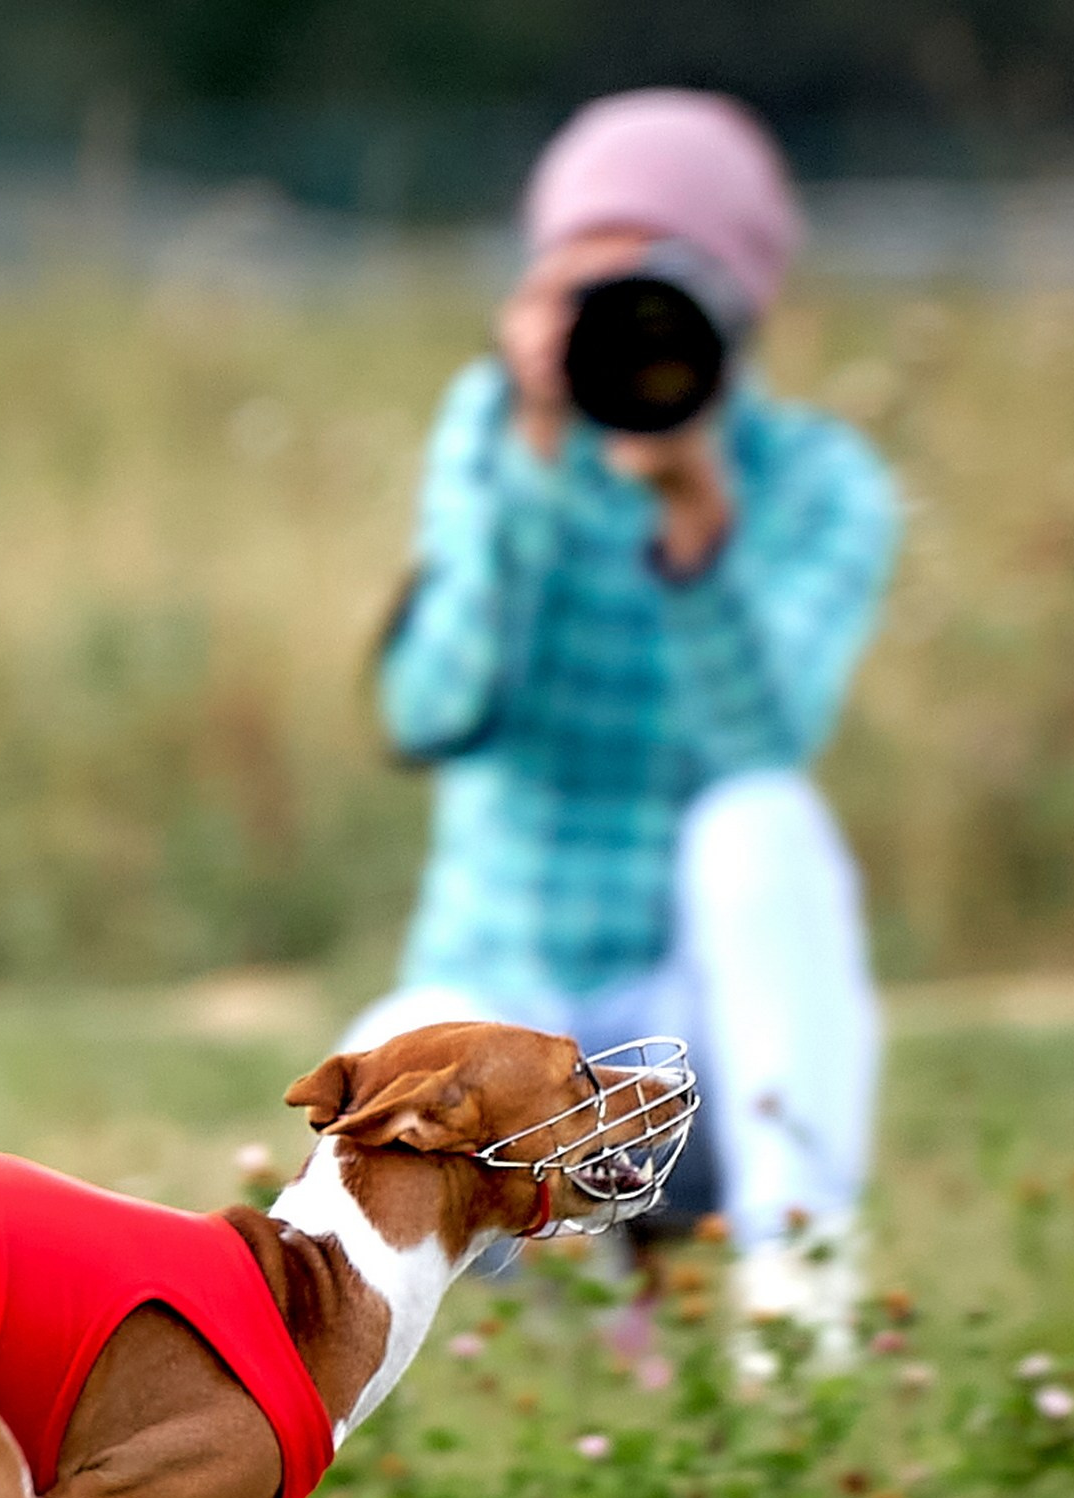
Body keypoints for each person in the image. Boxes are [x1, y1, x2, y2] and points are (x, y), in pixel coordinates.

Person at [346, 88, 899, 1365]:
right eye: (585, 283)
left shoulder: (818, 484)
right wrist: (528, 479)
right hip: (509, 994)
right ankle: (572, 1288)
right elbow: (430, 709)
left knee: (759, 820)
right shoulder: (495, 436)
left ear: (736, 309)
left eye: (656, 286)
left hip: (704, 1038)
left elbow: (766, 740)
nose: (621, 321)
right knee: (379, 1073)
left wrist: (700, 532)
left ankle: (798, 1287)